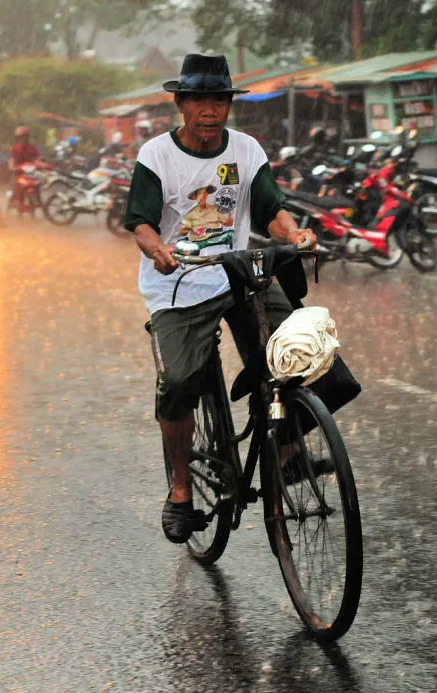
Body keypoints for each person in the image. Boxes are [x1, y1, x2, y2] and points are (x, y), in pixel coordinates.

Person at [125, 53, 359, 545]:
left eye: (219, 100)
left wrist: (294, 235)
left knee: (301, 355)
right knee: (181, 381)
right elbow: (141, 222)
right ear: (181, 104)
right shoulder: (156, 156)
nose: (210, 109)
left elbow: (271, 208)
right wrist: (159, 250)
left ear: (229, 105)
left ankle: (287, 446)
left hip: (237, 274)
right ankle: (181, 492)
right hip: (178, 283)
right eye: (199, 100)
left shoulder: (247, 150)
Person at [8, 125, 40, 209]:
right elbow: (12, 159)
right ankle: (13, 201)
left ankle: (38, 200)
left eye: (25, 137)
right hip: (19, 172)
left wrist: (38, 163)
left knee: (38, 183)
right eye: (21, 137)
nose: (23, 139)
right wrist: (12, 167)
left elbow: (38, 157)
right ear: (17, 138)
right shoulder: (15, 148)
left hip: (31, 172)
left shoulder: (32, 147)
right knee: (14, 184)